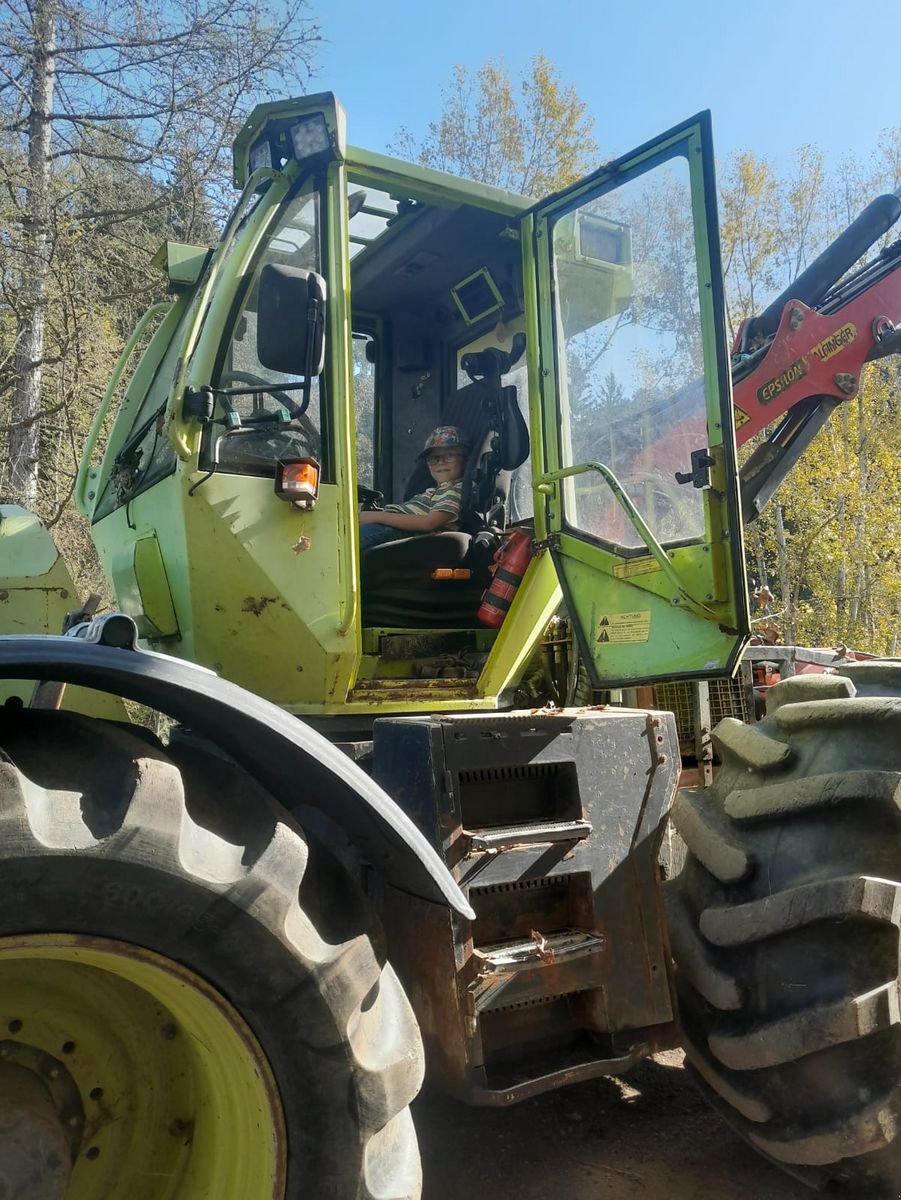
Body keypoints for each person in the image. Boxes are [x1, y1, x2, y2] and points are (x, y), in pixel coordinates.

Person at [359, 426, 468, 551]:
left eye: (449, 455)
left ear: (465, 459)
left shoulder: (454, 490)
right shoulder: (433, 491)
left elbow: (429, 523)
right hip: (390, 528)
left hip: (399, 532)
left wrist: (377, 516)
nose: (440, 462)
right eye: (433, 458)